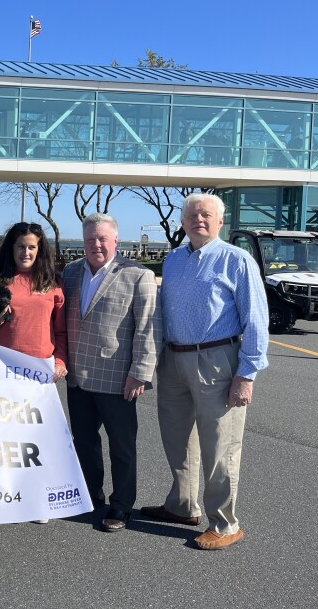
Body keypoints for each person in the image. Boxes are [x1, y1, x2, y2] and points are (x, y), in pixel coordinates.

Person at [141, 193, 268, 550]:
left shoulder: (237, 260)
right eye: (192, 214)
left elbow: (257, 321)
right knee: (177, 438)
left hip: (217, 361)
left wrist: (246, 375)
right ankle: (182, 505)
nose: (199, 219)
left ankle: (225, 523)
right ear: (182, 222)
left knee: (220, 445)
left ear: (220, 221)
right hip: (174, 359)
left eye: (207, 214)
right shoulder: (174, 259)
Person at [61, 213, 161, 533]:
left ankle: (121, 505)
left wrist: (141, 372)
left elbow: (148, 328)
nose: (96, 244)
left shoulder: (137, 275)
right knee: (84, 442)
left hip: (118, 377)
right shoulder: (71, 272)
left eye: (103, 238)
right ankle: (91, 495)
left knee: (121, 446)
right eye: (90, 239)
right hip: (78, 375)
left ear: (116, 240)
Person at [0, 221, 67, 524]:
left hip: (39, 372)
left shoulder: (51, 282)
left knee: (35, 440)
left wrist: (61, 361)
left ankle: (36, 499)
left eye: (31, 247)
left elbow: (61, 330)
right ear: (10, 248)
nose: (25, 252)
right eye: (20, 246)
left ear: (40, 250)